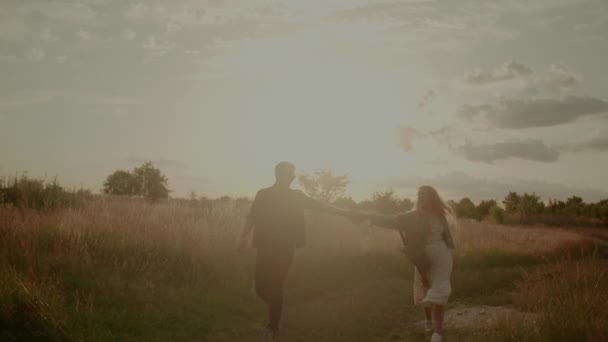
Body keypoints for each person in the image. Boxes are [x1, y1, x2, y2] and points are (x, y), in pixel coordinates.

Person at [238, 161, 350, 341]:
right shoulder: (263, 194)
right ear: (280, 175)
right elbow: (252, 216)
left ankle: (273, 326)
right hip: (264, 246)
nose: (293, 177)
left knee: (275, 284)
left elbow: (320, 206)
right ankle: (276, 308)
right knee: (259, 288)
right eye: (291, 173)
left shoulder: (296, 196)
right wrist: (243, 236)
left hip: (285, 247)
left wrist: (346, 212)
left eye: (293, 174)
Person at [350, 185, 455, 342]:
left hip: (442, 254)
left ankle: (437, 333)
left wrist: (449, 249)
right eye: (420, 195)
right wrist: (370, 216)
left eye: (425, 195)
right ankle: (428, 320)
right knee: (425, 287)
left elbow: (447, 236)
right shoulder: (413, 216)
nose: (422, 198)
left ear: (432, 197)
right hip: (423, 256)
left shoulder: (440, 215)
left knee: (440, 289)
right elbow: (391, 221)